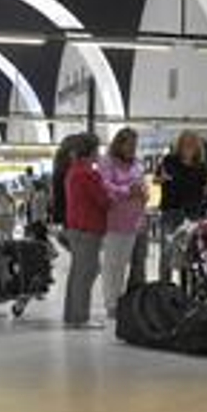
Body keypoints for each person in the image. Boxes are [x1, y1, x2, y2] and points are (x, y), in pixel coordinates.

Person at [99, 128, 147, 319]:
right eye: (129, 144)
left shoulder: (137, 164)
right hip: (113, 221)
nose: (132, 148)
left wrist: (143, 194)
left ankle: (120, 301)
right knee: (112, 265)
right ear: (119, 143)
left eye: (135, 145)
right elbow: (105, 187)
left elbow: (142, 186)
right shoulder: (107, 163)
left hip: (133, 221)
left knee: (123, 264)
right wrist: (128, 191)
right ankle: (111, 303)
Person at [63, 134, 107, 328]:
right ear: (90, 152)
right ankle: (80, 317)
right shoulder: (88, 174)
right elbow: (104, 201)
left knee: (78, 272)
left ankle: (72, 315)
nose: (99, 154)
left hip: (76, 227)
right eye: (97, 150)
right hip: (88, 227)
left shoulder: (73, 171)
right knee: (86, 272)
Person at [156, 131, 207, 281]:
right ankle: (164, 288)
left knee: (190, 254)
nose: (188, 146)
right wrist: (161, 179)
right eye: (185, 143)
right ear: (179, 145)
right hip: (171, 211)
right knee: (167, 252)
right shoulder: (169, 161)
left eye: (191, 143)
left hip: (193, 214)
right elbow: (157, 178)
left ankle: (186, 290)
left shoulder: (202, 166)